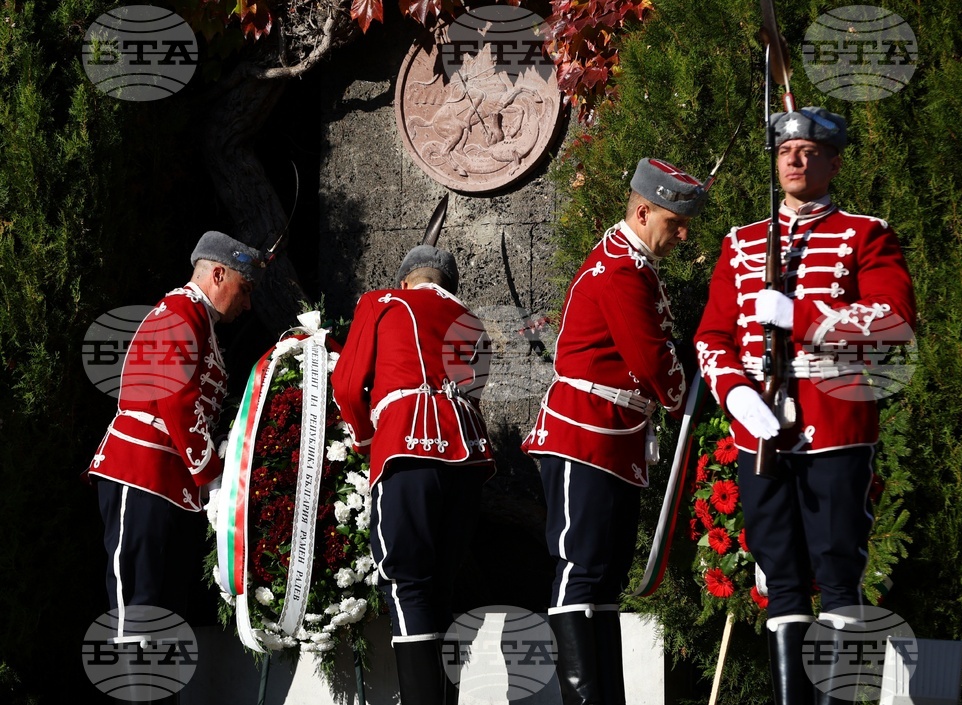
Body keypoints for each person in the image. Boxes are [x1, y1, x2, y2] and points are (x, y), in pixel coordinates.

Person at [694, 107, 916, 705]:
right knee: (780, 580)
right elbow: (712, 336)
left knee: (839, 572)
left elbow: (893, 322)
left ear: (834, 162)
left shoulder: (865, 232)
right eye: (786, 151)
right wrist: (737, 394)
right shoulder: (740, 243)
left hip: (837, 425)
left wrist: (804, 317)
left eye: (809, 151)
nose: (794, 159)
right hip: (760, 432)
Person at [522, 158, 706, 705]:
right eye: (675, 222)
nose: (682, 234)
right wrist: (686, 395)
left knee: (603, 581)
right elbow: (651, 356)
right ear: (643, 211)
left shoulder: (635, 266)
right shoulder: (619, 270)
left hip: (615, 438)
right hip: (586, 435)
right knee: (579, 571)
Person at [331, 244, 494, 705]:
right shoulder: (473, 322)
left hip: (407, 448)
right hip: (465, 462)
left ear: (405, 281)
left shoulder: (383, 302)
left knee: (406, 584)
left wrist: (365, 442)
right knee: (441, 586)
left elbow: (345, 383)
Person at [88, 231, 262, 624]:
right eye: (245, 288)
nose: (248, 304)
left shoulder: (200, 321)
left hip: (169, 482)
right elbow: (176, 399)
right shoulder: (181, 310)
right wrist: (209, 472)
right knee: (137, 604)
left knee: (165, 615)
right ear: (218, 274)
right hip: (142, 470)